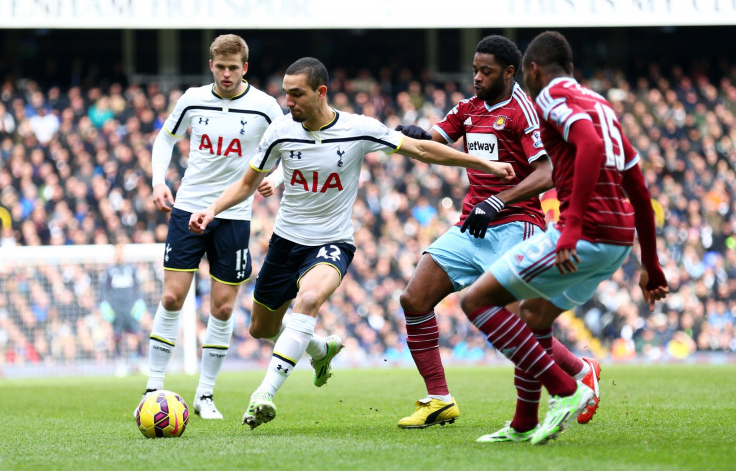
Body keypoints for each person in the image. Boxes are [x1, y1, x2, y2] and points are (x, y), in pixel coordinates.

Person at [188, 56, 515, 429]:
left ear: (321, 93)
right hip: (285, 243)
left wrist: (481, 163)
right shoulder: (279, 131)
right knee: (261, 329)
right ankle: (320, 348)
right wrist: (212, 208)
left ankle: (263, 394)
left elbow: (422, 150)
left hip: (332, 243)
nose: (288, 102)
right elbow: (247, 184)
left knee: (308, 299)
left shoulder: (359, 129)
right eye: (286, 94)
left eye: (296, 95)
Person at [458, 30, 668, 445]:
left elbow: (587, 145)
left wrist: (571, 229)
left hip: (584, 235)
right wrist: (651, 264)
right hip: (618, 240)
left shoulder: (550, 98)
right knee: (534, 316)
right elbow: (639, 190)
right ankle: (522, 425)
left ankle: (567, 388)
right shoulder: (601, 105)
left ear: (532, 70)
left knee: (476, 301)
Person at [394, 35, 602, 431]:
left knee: (516, 325)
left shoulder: (524, 110)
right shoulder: (469, 108)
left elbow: (547, 173)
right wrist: (417, 136)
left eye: (485, 71)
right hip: (473, 224)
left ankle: (580, 370)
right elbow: (439, 141)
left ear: (509, 72)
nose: (476, 77)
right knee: (414, 298)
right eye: (474, 69)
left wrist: (499, 201)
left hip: (515, 224)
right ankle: (439, 399)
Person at [135, 34, 285, 420]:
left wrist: (279, 176)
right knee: (171, 298)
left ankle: (204, 395)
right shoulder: (192, 98)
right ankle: (154, 388)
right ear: (211, 66)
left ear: (245, 68)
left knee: (221, 307)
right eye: (220, 67)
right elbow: (165, 139)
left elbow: (290, 145)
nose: (227, 74)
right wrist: (157, 180)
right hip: (187, 208)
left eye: (234, 68)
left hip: (233, 215)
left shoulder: (265, 107)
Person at [99, 239, 146, 376]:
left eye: (121, 251)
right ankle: (120, 363)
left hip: (131, 307)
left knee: (138, 335)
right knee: (117, 337)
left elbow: (138, 287)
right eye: (117, 251)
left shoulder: (132, 269)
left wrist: (140, 301)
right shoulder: (109, 270)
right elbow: (104, 290)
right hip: (116, 308)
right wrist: (104, 305)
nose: (119, 254)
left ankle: (141, 361)